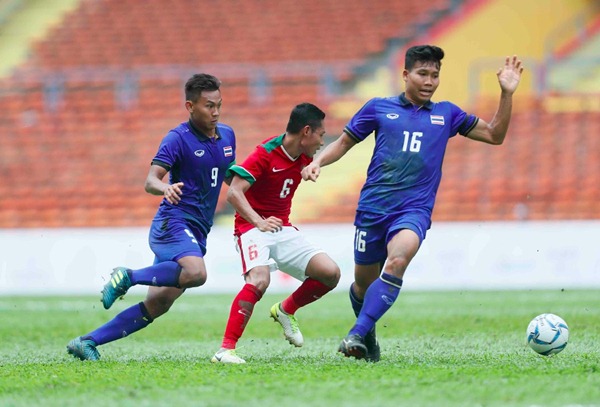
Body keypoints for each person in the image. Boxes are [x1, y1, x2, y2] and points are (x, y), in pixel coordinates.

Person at [302, 45, 524, 362]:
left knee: (397, 260)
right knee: (363, 285)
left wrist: (506, 94)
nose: (429, 81)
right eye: (422, 73)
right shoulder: (378, 108)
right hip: (373, 209)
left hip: (413, 211)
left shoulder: (447, 114)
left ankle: (355, 332)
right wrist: (318, 162)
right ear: (406, 74)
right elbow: (343, 142)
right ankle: (368, 337)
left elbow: (494, 135)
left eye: (435, 75)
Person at [67, 73, 236, 360]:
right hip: (173, 222)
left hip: (198, 230)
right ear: (190, 106)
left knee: (158, 304)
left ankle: (86, 342)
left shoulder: (228, 135)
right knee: (196, 273)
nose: (216, 112)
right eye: (209, 106)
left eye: (219, 104)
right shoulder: (177, 138)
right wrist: (166, 187)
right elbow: (151, 180)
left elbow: (231, 178)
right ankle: (128, 276)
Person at [211, 102, 341, 364]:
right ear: (306, 131)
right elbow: (234, 192)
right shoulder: (265, 154)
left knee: (330, 273)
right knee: (259, 280)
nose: (322, 141)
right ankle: (225, 350)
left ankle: (285, 310)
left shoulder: (304, 156)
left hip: (281, 227)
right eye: (320, 135)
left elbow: (329, 154)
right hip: (251, 227)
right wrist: (258, 221)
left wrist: (316, 164)